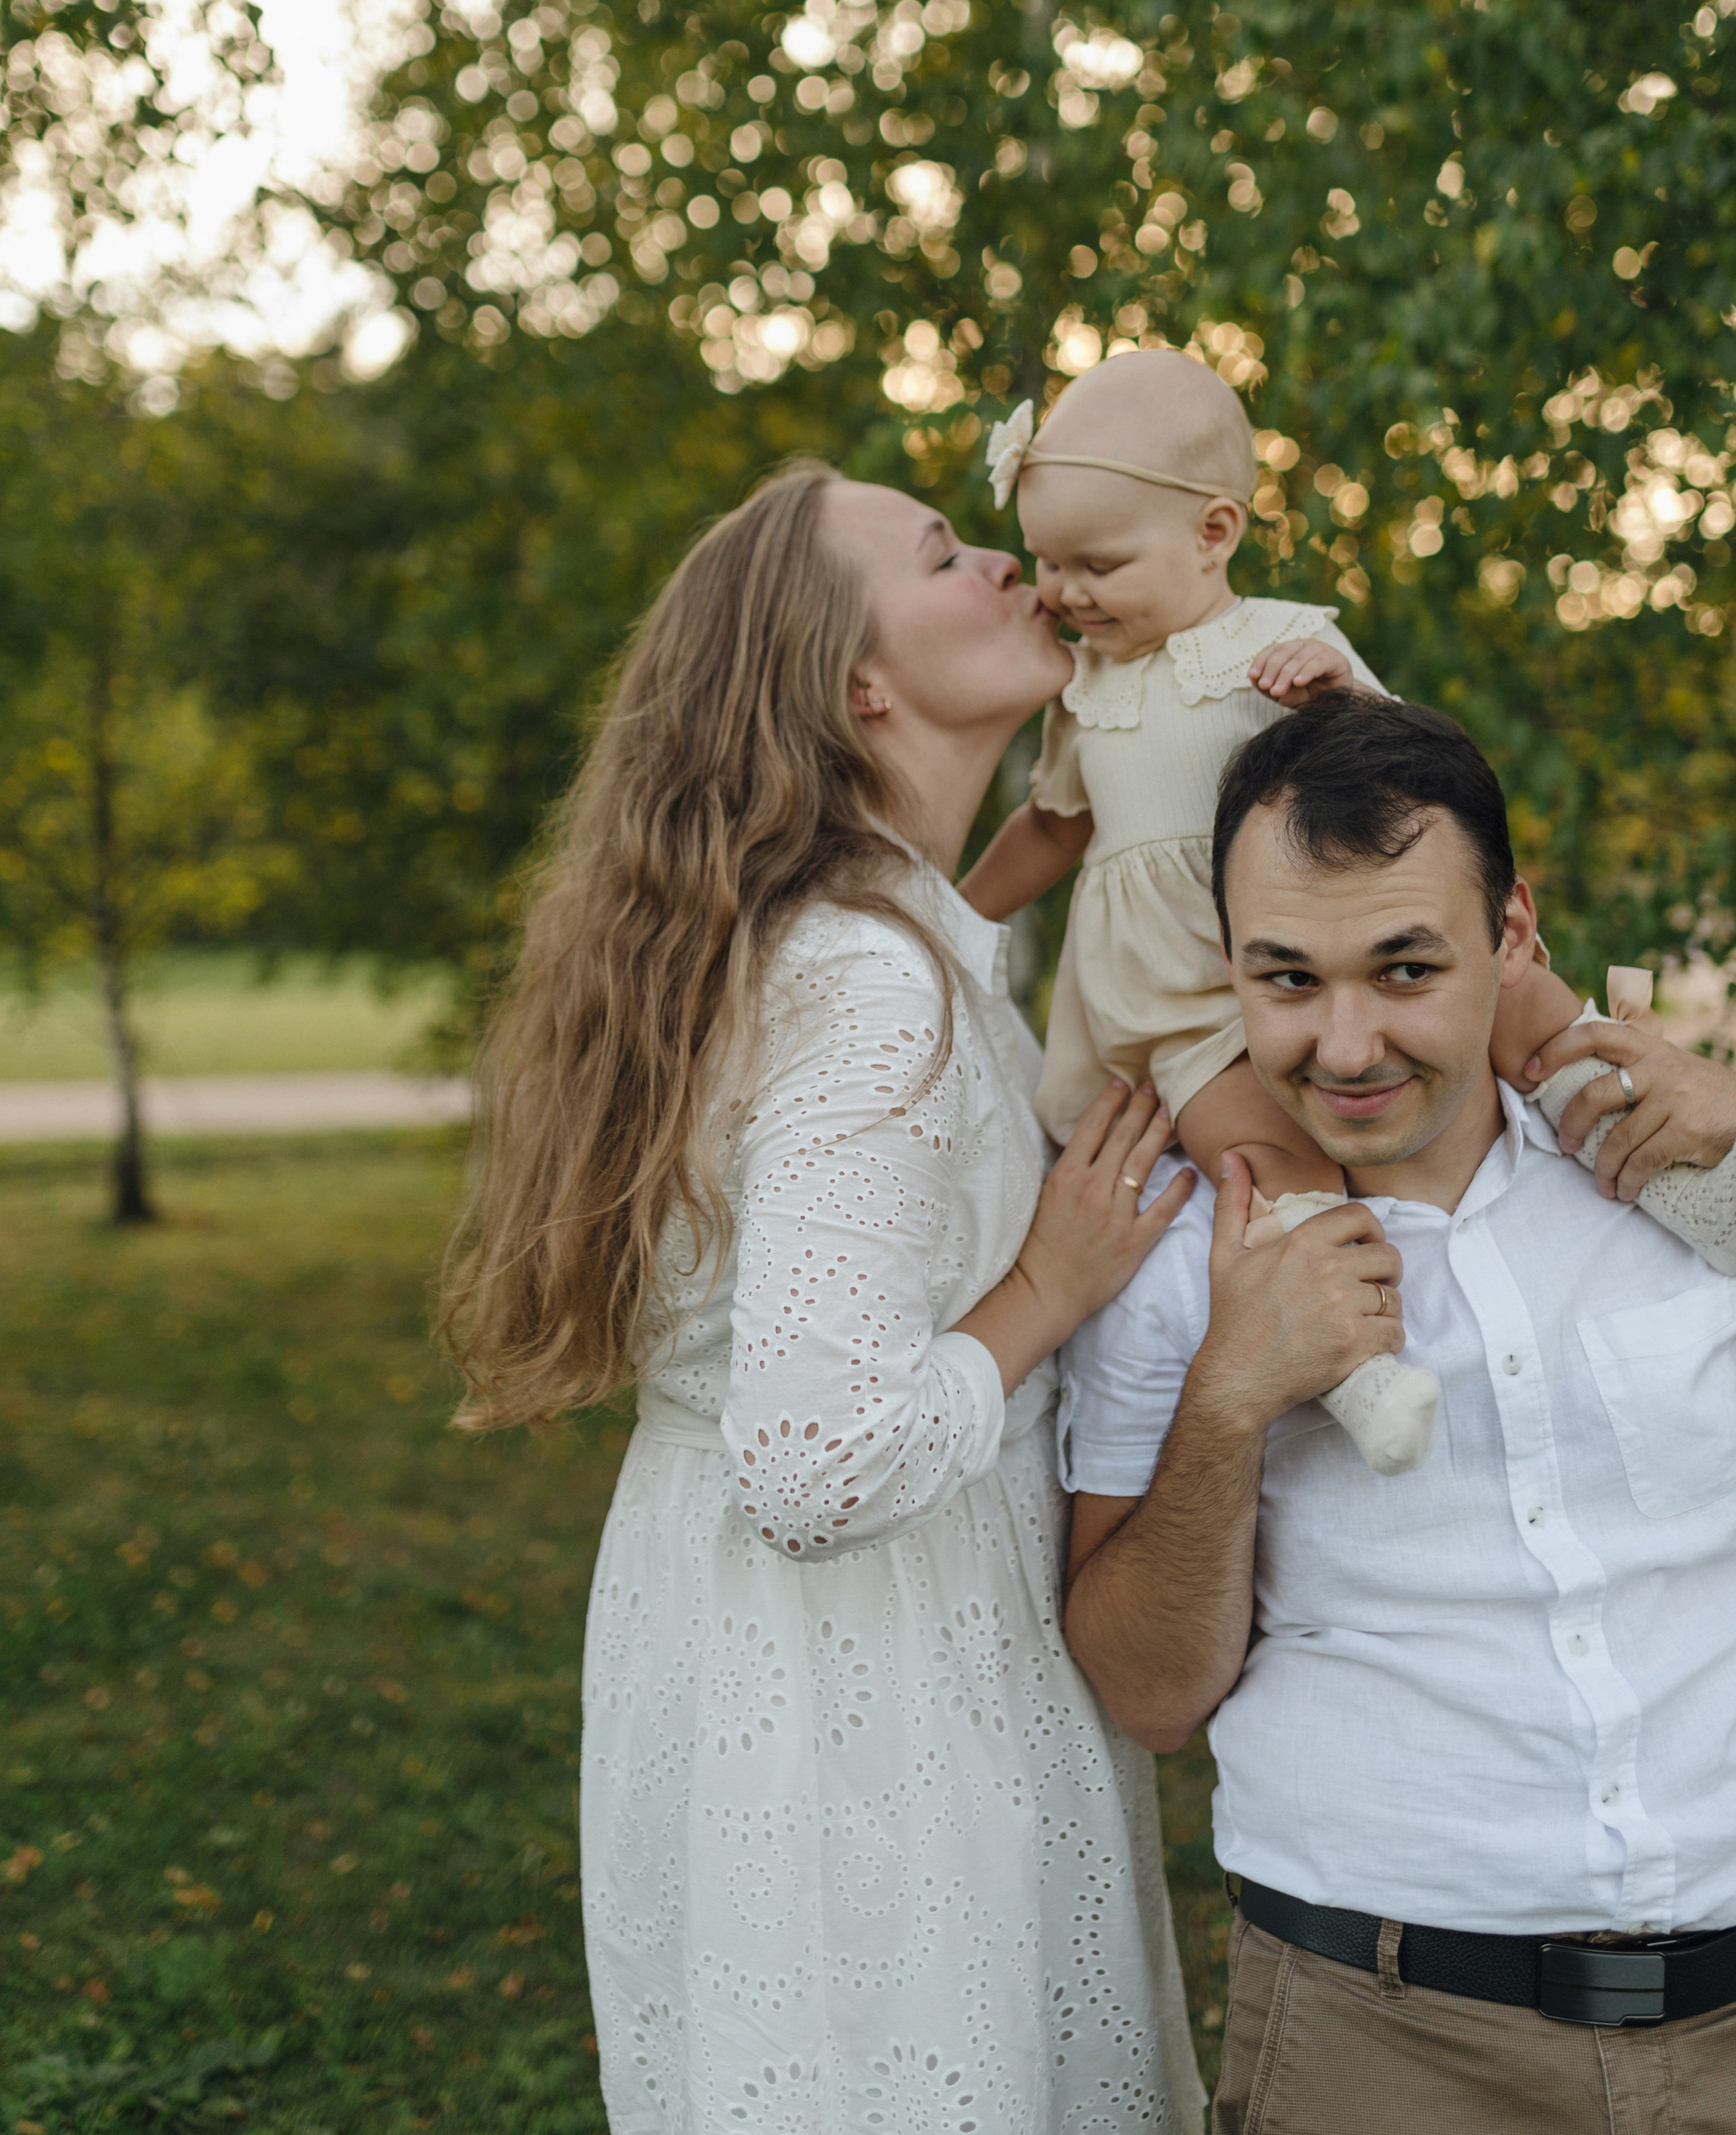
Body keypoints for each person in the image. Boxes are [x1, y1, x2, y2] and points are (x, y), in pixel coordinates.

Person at [441, 462, 1208, 2134]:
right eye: (942, 552)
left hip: (744, 1649)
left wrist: (1007, 875)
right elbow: (814, 1461)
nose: (1004, 556)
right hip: (869, 1673)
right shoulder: (865, 978)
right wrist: (1043, 1287)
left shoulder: (838, 939)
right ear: (858, 684)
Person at [1060, 692, 1736, 2134]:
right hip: (1388, 2051)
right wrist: (1234, 1393)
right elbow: (1146, 1694)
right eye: (1284, 979)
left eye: (1403, 968)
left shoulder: (1669, 1169)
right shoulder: (1181, 1262)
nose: (1344, 1046)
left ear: (1514, 935)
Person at [962, 350, 1736, 1276]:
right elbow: (1055, 825)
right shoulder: (1082, 692)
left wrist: (1338, 695)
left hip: (1367, 932)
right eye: (1048, 563)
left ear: (1213, 533)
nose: (1065, 592)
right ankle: (1354, 1348)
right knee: (1261, 1163)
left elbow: (1409, 776)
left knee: (1541, 1030)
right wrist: (953, 915)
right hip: (1186, 992)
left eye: (1099, 564)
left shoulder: (1280, 641)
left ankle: (1700, 1194)